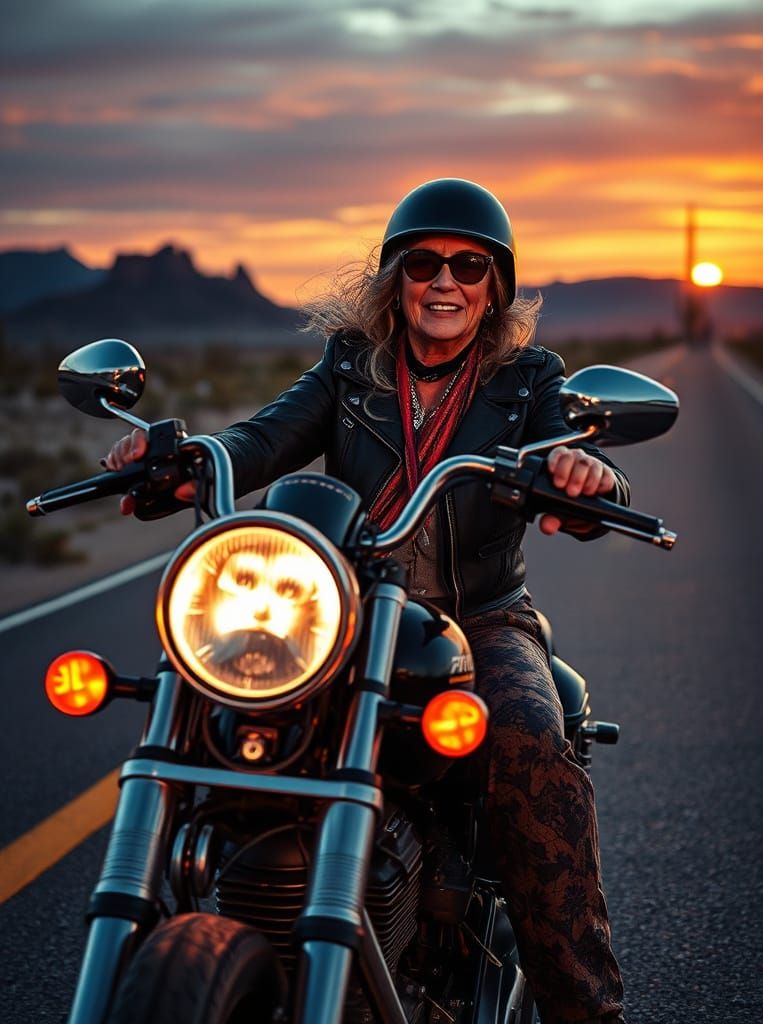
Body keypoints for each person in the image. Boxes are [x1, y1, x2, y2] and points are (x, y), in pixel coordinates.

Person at [105, 178, 628, 1023]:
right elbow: (261, 436)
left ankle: (585, 1006)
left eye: (468, 265)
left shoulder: (529, 379)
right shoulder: (351, 367)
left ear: (494, 285)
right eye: (423, 263)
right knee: (210, 705)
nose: (445, 281)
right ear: (396, 278)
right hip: (339, 616)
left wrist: (583, 473)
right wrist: (189, 457)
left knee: (528, 732)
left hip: (478, 620)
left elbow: (571, 451)